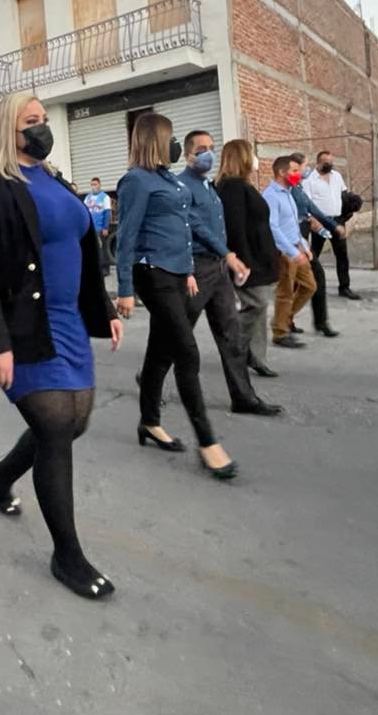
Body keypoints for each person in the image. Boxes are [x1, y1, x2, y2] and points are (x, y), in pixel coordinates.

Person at [0, 93, 124, 599]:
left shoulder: (56, 180)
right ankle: (67, 556)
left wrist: (105, 309)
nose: (41, 128)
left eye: (43, 120)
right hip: (25, 325)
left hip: (69, 322)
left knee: (76, 421)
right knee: (54, 426)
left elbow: (84, 250)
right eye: (31, 121)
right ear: (8, 130)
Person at [115, 112, 238, 480]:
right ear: (154, 141)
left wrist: (188, 271)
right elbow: (126, 237)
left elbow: (185, 226)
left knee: (162, 350)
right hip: (152, 274)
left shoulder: (167, 179)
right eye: (169, 138)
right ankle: (208, 443)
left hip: (176, 273)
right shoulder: (135, 181)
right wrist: (124, 290)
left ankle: (149, 422)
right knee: (187, 351)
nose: (173, 145)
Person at [180, 130, 280, 416]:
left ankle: (244, 398)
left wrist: (228, 260)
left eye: (212, 147)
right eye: (202, 149)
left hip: (219, 268)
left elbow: (222, 228)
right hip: (199, 268)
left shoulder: (209, 186)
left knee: (231, 336)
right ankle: (150, 378)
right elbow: (193, 228)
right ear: (187, 153)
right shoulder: (182, 186)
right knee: (178, 332)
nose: (209, 154)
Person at [215, 139, 281, 379]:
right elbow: (235, 229)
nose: (254, 159)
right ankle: (234, 348)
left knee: (259, 310)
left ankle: (256, 357)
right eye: (250, 153)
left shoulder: (242, 185)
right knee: (257, 304)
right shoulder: (232, 188)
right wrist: (243, 262)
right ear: (241, 157)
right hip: (249, 260)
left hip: (260, 257)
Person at [286, 154, 344, 339]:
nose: (306, 169)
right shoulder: (289, 189)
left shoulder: (298, 187)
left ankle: (309, 321)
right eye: (304, 166)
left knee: (307, 280)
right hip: (294, 240)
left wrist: (332, 226)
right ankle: (286, 323)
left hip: (301, 238)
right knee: (299, 281)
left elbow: (312, 209)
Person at [266, 156, 317, 348]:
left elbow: (292, 225)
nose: (298, 174)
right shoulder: (271, 195)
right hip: (284, 252)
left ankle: (284, 318)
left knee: (309, 286)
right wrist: (291, 251)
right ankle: (280, 332)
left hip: (296, 248)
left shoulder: (288, 193)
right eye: (294, 171)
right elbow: (273, 227)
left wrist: (303, 245)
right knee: (285, 292)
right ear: (281, 172)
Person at [303, 150, 360, 299]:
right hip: (319, 222)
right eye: (326, 163)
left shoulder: (337, 176)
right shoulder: (309, 180)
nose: (329, 165)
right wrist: (313, 221)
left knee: (342, 255)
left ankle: (344, 287)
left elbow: (344, 195)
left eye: (331, 162)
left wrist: (349, 210)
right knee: (314, 255)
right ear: (319, 163)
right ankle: (309, 286)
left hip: (337, 220)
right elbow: (306, 204)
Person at [84, 176, 114, 277]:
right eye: (92, 184)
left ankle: (105, 269)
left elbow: (107, 213)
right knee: (93, 249)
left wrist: (105, 227)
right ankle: (95, 269)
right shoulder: (88, 198)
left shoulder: (104, 197)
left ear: (100, 185)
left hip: (99, 227)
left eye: (95, 184)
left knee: (102, 249)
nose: (93, 186)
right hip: (90, 227)